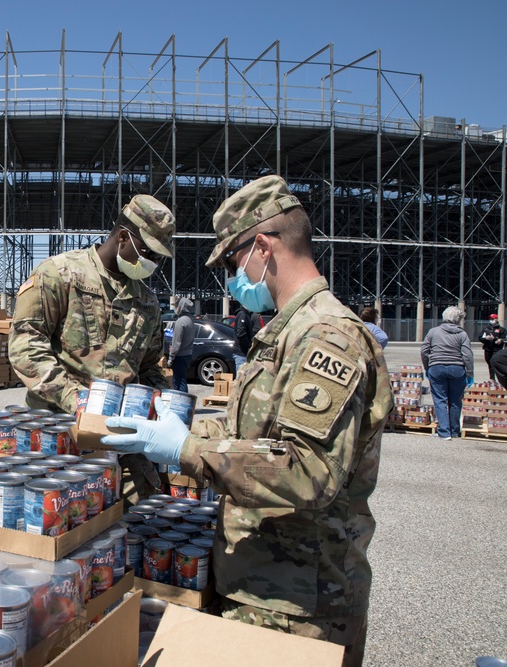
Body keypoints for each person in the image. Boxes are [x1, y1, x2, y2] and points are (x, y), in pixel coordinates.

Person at [102, 175, 393, 667]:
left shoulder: (326, 336)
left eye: (234, 260)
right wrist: (162, 426)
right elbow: (252, 432)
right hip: (265, 584)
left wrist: (185, 450)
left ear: (262, 246)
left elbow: (308, 471)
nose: (234, 276)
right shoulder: (284, 332)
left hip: (299, 601)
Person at [8, 194, 175, 502]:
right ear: (124, 237)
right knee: (57, 516)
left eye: (160, 257)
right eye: (149, 253)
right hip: (59, 431)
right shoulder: (60, 273)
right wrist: (77, 399)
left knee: (132, 518)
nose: (155, 263)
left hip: (120, 438)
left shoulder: (147, 301)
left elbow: (150, 365)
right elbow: (25, 347)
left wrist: (162, 403)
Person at [421, 306, 473, 440]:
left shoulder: (433, 332)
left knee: (440, 400)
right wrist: (470, 373)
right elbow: (467, 355)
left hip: (436, 367)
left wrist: (427, 367)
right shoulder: (462, 334)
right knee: (455, 400)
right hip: (457, 369)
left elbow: (424, 351)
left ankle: (444, 432)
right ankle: (455, 431)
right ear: (458, 319)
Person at [167, 297, 195, 391]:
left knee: (179, 382)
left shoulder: (180, 322)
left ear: (181, 306)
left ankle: (182, 402)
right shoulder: (190, 320)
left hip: (180, 355)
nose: (176, 308)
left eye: (177, 306)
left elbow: (176, 342)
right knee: (182, 379)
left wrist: (171, 357)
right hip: (188, 354)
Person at [232, 306, 262, 373]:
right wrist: (249, 345)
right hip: (241, 351)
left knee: (243, 376)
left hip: (242, 352)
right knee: (241, 377)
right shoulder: (243, 314)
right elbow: (240, 333)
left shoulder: (245, 314)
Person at [479, 312, 505, 383]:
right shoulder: (486, 329)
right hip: (488, 349)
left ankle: (500, 378)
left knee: (495, 363)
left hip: (497, 349)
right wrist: (486, 339)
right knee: (490, 363)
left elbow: (504, 338)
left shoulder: (502, 329)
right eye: (490, 319)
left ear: (496, 319)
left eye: (493, 319)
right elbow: (480, 338)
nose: (491, 320)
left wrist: (500, 340)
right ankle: (492, 378)